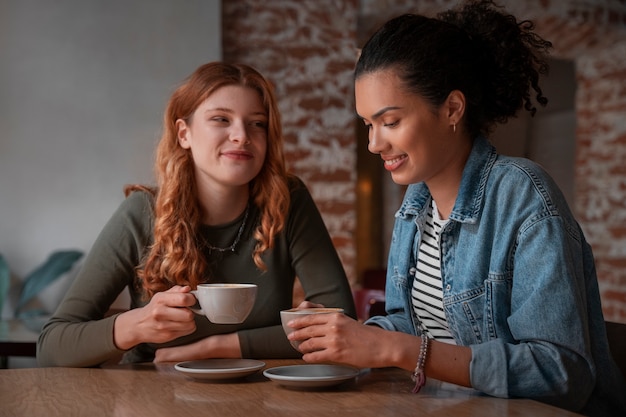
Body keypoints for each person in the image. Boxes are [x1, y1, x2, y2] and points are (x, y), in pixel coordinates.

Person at [285, 1, 626, 416]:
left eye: (389, 122)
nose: (374, 144)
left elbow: (561, 374)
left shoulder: (523, 194)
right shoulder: (417, 203)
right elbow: (409, 325)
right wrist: (349, 337)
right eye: (368, 125)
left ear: (451, 109)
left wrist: (398, 349)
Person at [37, 62, 356, 367]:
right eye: (221, 119)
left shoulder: (288, 200)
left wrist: (215, 348)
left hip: (260, 396)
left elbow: (342, 327)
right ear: (183, 134)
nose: (242, 135)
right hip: (154, 397)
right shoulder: (142, 213)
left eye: (257, 123)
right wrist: (136, 325)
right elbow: (52, 347)